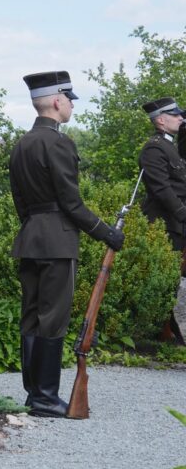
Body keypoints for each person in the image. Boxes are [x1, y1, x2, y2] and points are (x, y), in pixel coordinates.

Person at [10, 70, 125, 418]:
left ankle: (35, 394)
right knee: (53, 319)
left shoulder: (21, 144)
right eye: (69, 100)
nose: (72, 106)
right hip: (57, 241)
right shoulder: (58, 143)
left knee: (31, 317)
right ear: (58, 101)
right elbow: (71, 204)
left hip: (30, 237)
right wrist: (107, 232)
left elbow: (21, 202)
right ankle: (46, 397)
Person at [139, 97, 186, 342]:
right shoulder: (154, 148)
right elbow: (162, 190)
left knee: (172, 281)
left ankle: (167, 330)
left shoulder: (172, 146)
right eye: (175, 115)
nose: (181, 118)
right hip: (165, 224)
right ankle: (161, 330)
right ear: (160, 119)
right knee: (166, 280)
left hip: (176, 222)